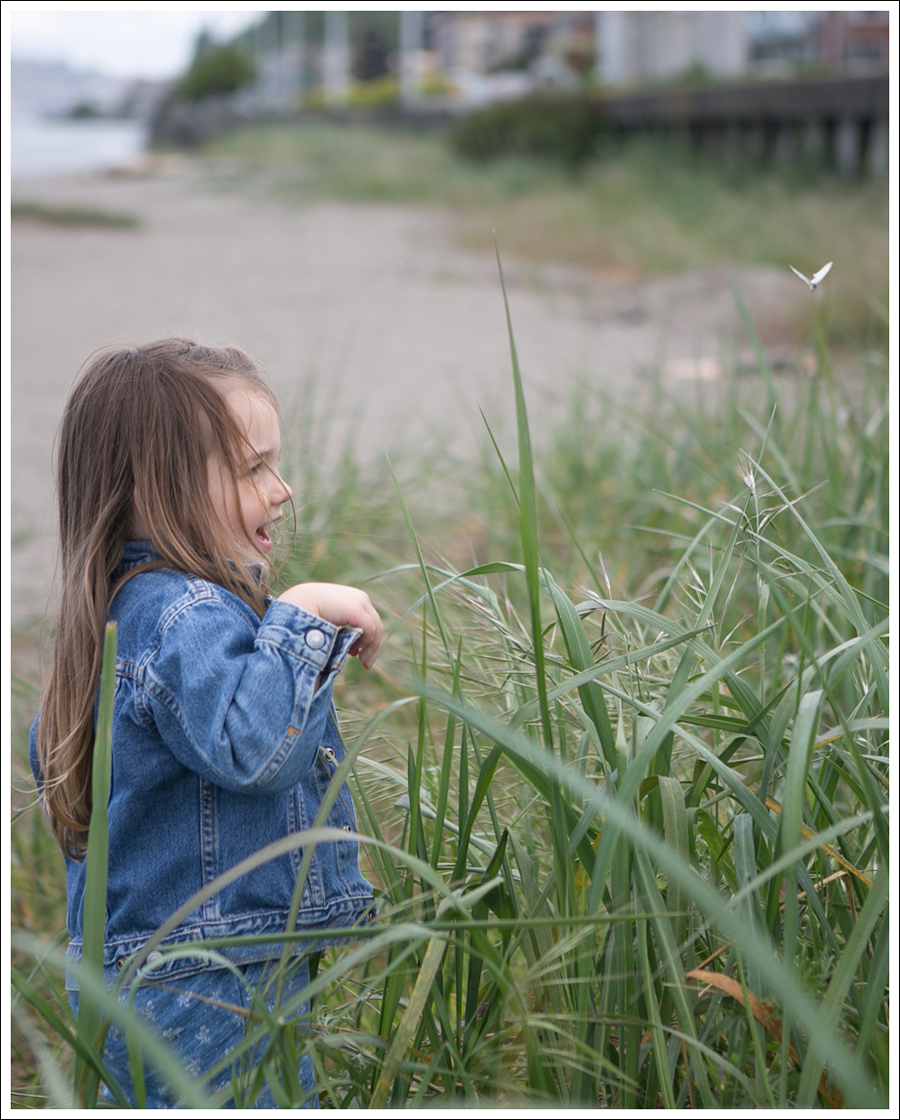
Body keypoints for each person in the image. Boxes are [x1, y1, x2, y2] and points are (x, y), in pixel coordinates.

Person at [30, 338, 383, 1108]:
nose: (282, 490)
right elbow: (255, 749)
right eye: (254, 468)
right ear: (163, 488)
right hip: (208, 979)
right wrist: (300, 615)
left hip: (155, 975)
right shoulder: (182, 613)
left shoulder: (120, 610)